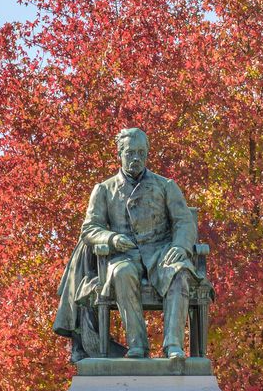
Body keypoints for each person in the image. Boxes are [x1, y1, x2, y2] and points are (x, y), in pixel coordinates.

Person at [56, 127, 196, 359]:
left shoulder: (165, 186)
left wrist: (180, 247)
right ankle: (137, 345)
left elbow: (184, 222)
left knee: (179, 272)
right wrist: (111, 238)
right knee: (121, 273)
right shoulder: (104, 189)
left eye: (141, 153)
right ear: (119, 154)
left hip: (160, 253)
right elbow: (90, 229)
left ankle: (173, 346)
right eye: (130, 153)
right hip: (124, 254)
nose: (136, 158)